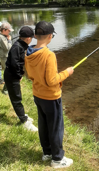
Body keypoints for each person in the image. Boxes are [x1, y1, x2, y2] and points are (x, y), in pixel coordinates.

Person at [25, 21, 75, 168]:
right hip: (51, 97)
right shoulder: (49, 55)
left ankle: (47, 152)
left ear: (35, 35)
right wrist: (67, 72)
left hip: (38, 95)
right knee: (55, 127)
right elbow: (52, 80)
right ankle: (58, 159)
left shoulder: (28, 52)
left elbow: (29, 76)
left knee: (43, 124)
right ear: (49, 36)